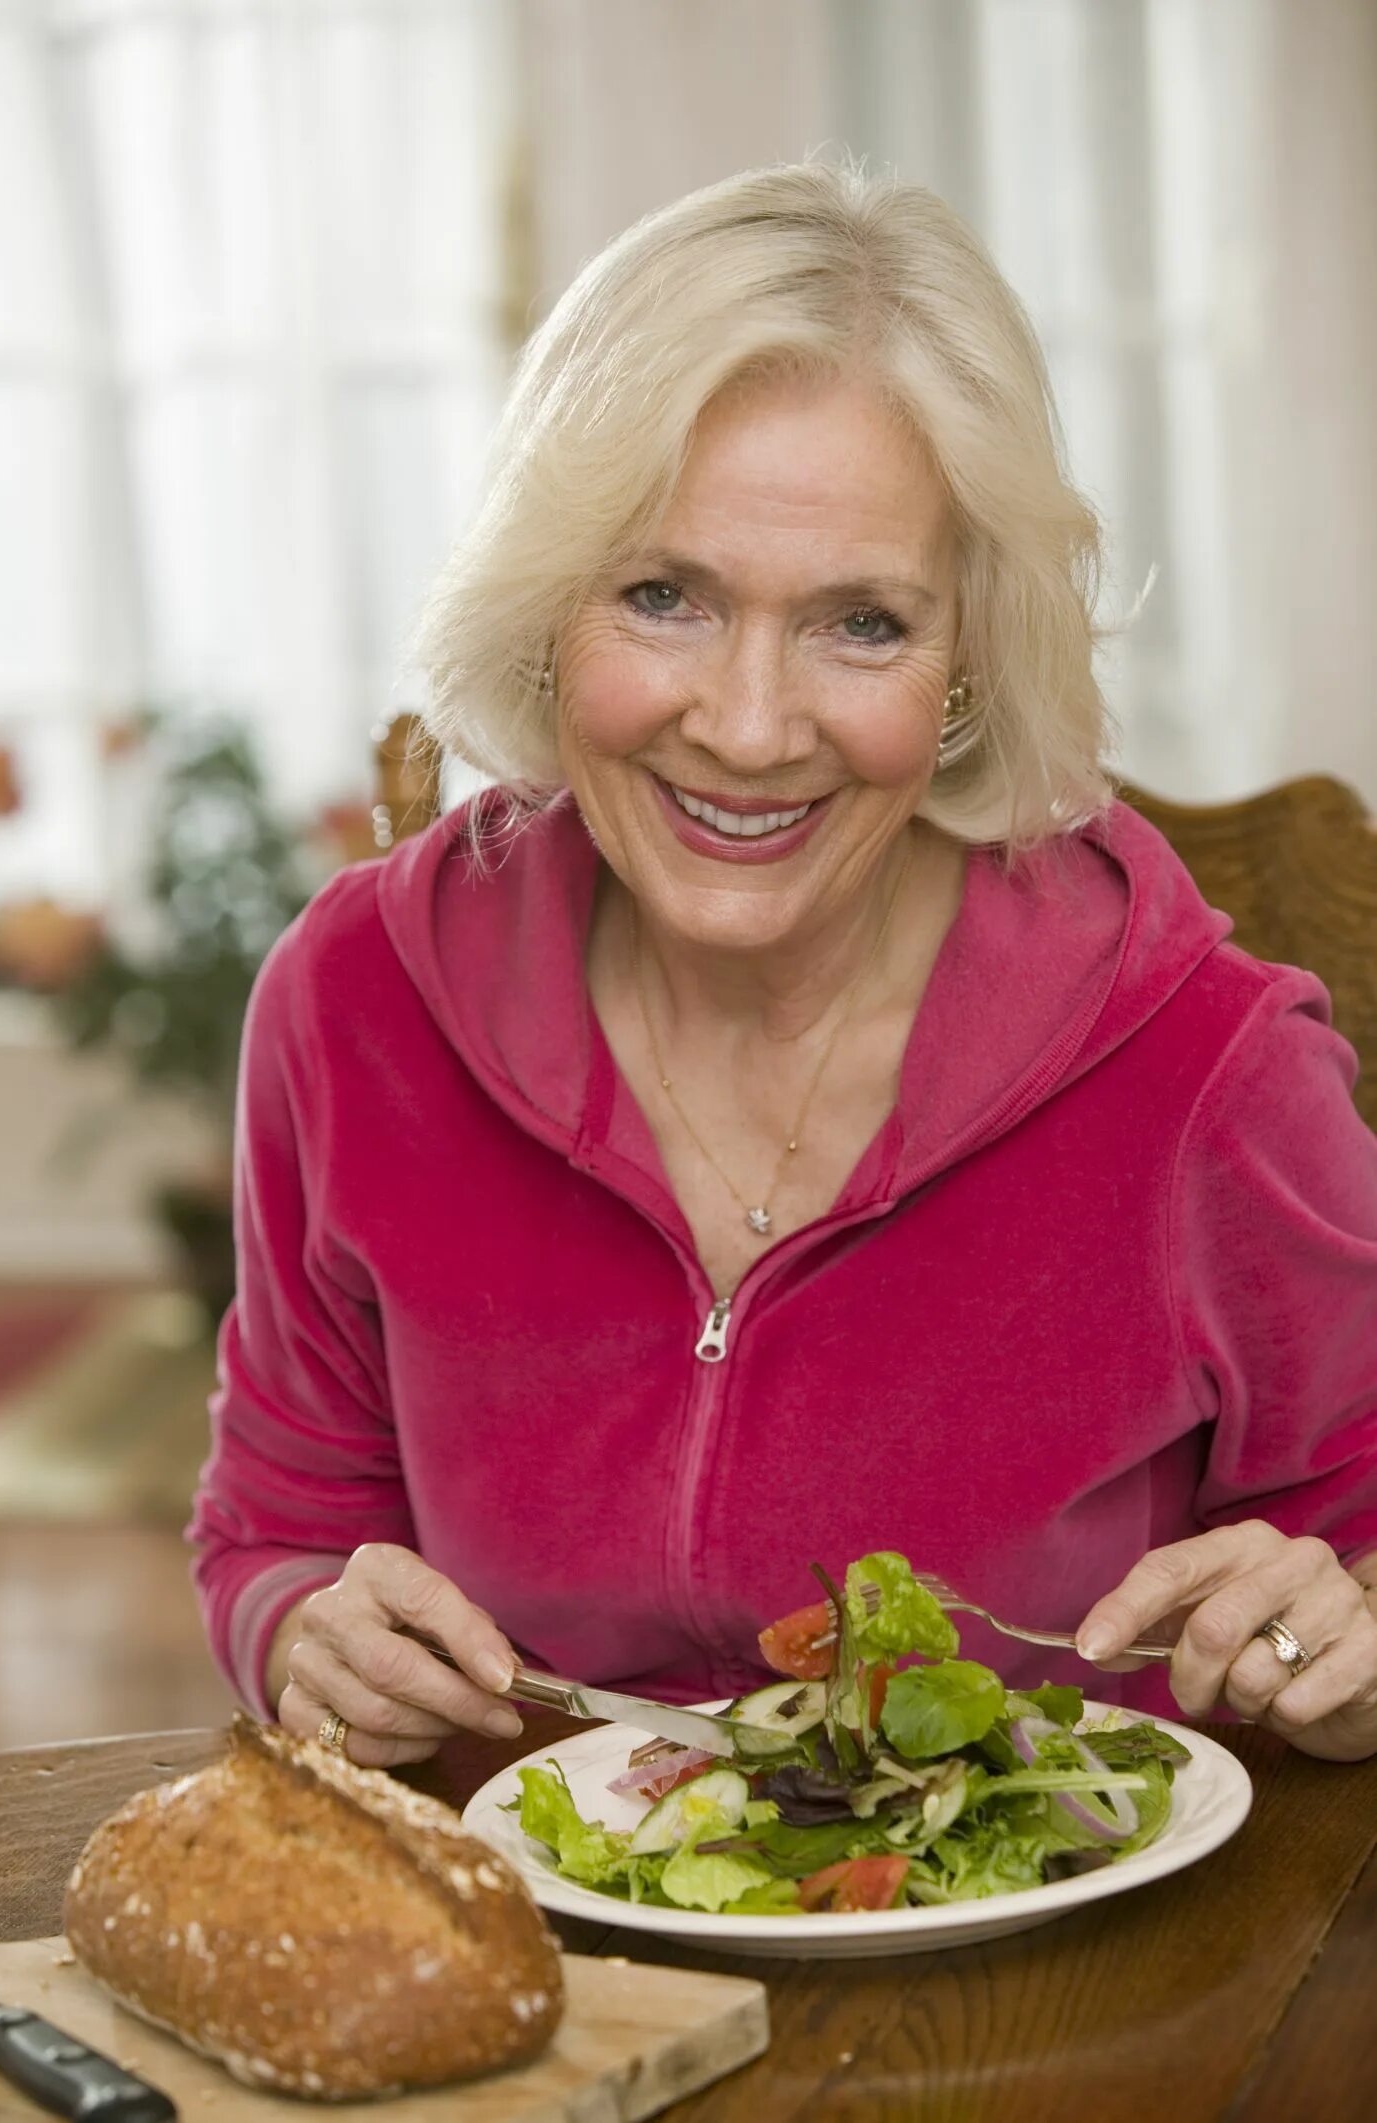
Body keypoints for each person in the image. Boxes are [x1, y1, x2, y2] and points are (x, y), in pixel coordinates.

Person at [188, 161, 1377, 1772]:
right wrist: (301, 1632)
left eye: (862, 624)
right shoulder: (354, 1001)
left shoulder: (1205, 1067)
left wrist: (1339, 1638)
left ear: (967, 661)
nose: (746, 729)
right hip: (551, 1979)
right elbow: (282, 1529)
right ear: (549, 609)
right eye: (663, 597)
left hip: (1059, 1985)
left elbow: (1360, 1561)